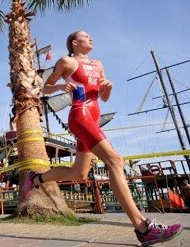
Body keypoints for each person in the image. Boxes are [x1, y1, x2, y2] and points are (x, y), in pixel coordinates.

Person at [22, 30, 182, 245]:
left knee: (79, 172)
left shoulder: (98, 64)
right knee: (115, 160)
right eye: (85, 36)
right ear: (74, 43)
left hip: (93, 116)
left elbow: (103, 98)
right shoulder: (67, 62)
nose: (91, 38)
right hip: (80, 115)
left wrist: (108, 88)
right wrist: (61, 86)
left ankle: (36, 179)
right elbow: (46, 87)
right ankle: (143, 228)